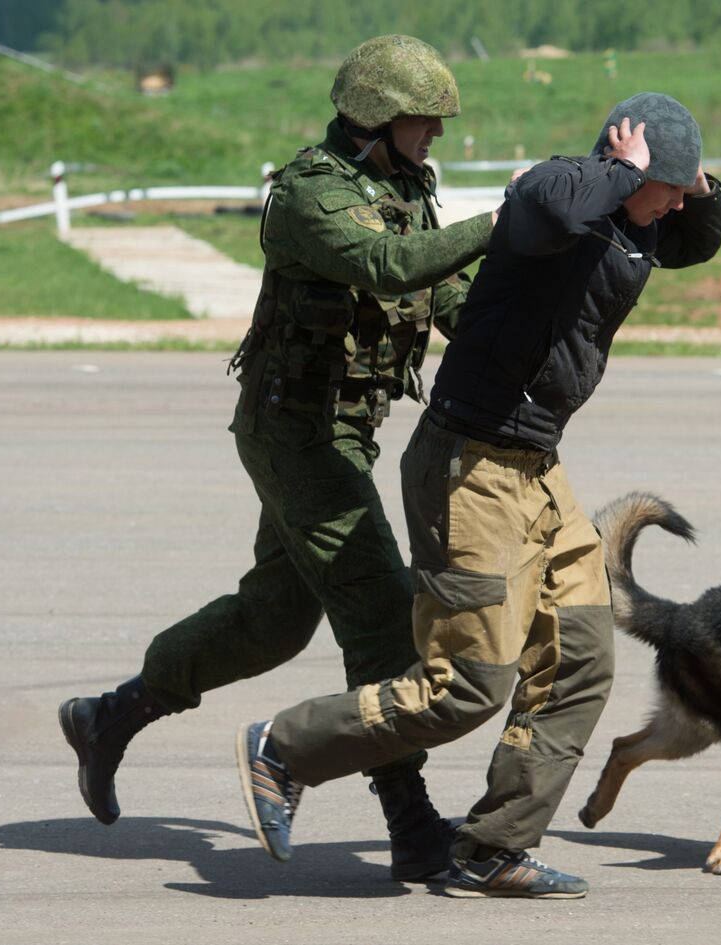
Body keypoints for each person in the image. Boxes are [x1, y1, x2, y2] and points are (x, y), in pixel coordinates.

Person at [234, 92, 721, 899]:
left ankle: (494, 844)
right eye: (664, 183)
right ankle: (285, 747)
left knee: (582, 658)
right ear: (619, 160)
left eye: (679, 187)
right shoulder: (556, 194)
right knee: (468, 685)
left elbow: (695, 239)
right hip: (469, 467)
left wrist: (694, 183)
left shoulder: (638, 222)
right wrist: (622, 169)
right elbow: (550, 204)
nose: (674, 200)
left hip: (537, 467)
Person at [58, 34, 498, 882]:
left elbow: (441, 296)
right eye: (423, 123)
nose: (434, 139)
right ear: (378, 118)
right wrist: (502, 221)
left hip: (345, 433)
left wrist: (529, 297)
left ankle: (111, 714)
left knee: (275, 619)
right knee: (381, 607)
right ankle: (410, 823)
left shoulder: (402, 183)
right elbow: (385, 264)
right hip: (294, 432)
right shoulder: (310, 193)